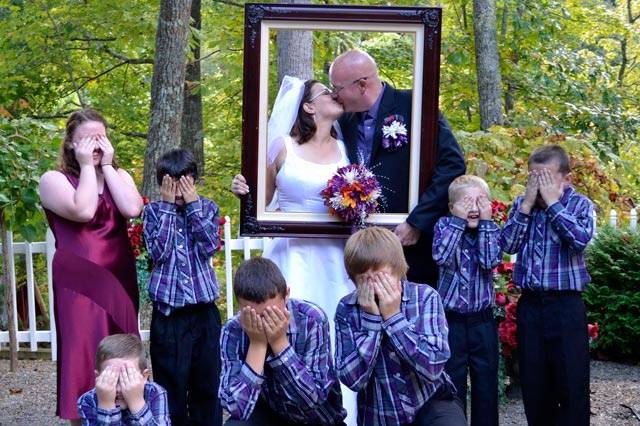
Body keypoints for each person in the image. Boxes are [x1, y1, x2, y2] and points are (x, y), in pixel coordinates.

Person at [231, 77, 357, 424]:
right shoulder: (281, 146)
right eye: (327, 92)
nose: (337, 94)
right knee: (285, 326)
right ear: (308, 106)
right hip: (290, 253)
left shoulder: (349, 148)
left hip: (334, 256)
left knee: (330, 328)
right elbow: (259, 202)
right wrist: (244, 191)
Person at [39, 108, 142, 424]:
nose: (94, 146)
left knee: (123, 350)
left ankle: (130, 413)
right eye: (86, 139)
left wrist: (107, 166)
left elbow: (132, 208)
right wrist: (86, 166)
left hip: (119, 277)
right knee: (83, 351)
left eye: (100, 138)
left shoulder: (118, 175)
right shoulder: (53, 179)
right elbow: (83, 210)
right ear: (70, 143)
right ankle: (81, 418)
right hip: (79, 282)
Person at [329, 49, 466, 286]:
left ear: (362, 85)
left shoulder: (414, 106)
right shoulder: (343, 121)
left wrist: (417, 222)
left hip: (413, 247)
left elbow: (452, 165)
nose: (334, 95)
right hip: (363, 251)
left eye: (337, 88)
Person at [500, 145, 594, 426]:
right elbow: (507, 244)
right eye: (533, 177)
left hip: (566, 305)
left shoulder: (580, 205)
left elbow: (578, 239)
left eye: (546, 177)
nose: (539, 184)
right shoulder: (522, 204)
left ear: (567, 178)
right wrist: (527, 206)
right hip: (531, 304)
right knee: (534, 381)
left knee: (571, 382)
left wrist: (553, 204)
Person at [334, 227, 467, 426]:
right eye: (364, 278)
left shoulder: (424, 297)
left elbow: (433, 367)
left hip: (430, 403)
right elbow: (353, 380)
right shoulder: (347, 309)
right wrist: (372, 321)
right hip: (380, 413)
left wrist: (393, 317)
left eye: (379, 275)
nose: (373, 284)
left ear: (397, 269)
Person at [143, 148, 222, 426]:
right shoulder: (152, 212)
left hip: (203, 313)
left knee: (207, 385)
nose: (178, 191)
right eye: (171, 184)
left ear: (194, 180)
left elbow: (209, 246)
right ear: (162, 183)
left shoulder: (208, 208)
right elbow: (158, 253)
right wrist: (166, 206)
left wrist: (193, 206)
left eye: (184, 183)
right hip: (168, 316)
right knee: (170, 387)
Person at [219, 257, 347, 425]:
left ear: (286, 295)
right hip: (270, 415)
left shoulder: (311, 319)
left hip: (317, 419)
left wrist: (279, 343)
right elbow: (236, 408)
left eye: (270, 313)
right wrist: (257, 345)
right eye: (253, 316)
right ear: (240, 306)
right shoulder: (233, 330)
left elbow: (311, 400)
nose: (263, 323)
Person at [432, 175, 501, 426]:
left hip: (482, 321)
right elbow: (441, 256)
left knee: (486, 382)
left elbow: (490, 260)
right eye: (466, 202)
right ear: (452, 208)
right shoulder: (443, 226)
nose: (473, 208)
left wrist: (485, 223)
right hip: (452, 322)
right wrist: (458, 223)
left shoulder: (491, 229)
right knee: (452, 381)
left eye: (480, 201)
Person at [77, 334, 170, 425]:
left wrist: (137, 404)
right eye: (112, 379)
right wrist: (106, 405)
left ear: (144, 377)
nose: (118, 389)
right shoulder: (88, 401)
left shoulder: (155, 393)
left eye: (126, 379)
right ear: (98, 377)